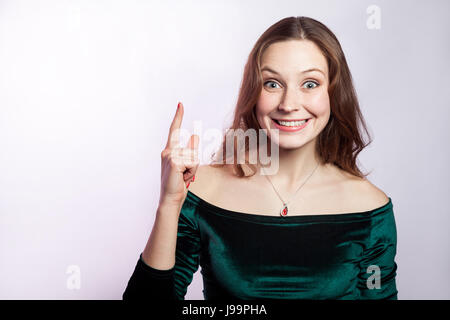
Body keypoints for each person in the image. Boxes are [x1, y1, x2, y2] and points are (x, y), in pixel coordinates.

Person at [122, 16, 398, 300]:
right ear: (254, 93)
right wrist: (168, 205)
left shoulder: (370, 209)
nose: (289, 104)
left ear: (334, 93)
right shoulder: (201, 189)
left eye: (310, 84)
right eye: (272, 84)